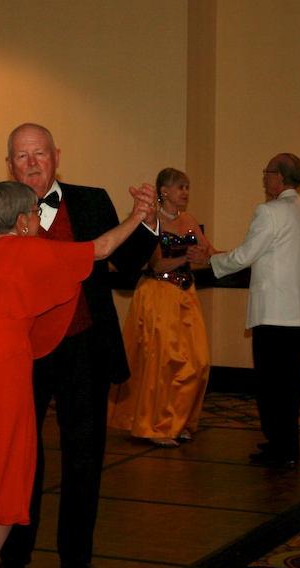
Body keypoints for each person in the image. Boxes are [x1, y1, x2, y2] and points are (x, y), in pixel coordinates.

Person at [0, 124, 158, 568]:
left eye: (39, 154)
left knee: (84, 455)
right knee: (17, 457)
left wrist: (147, 217)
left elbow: (126, 261)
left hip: (84, 346)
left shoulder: (92, 199)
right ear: (9, 165)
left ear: (56, 157)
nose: (32, 162)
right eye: (21, 156)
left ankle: (76, 555)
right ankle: (12, 554)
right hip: (17, 355)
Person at [187, 153, 300, 467]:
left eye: (267, 172)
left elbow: (246, 255)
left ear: (278, 177)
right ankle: (285, 445)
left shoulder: (268, 212)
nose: (264, 178)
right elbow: (279, 257)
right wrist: (216, 254)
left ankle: (282, 449)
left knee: (271, 384)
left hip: (274, 312)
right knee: (290, 385)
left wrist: (209, 258)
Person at [108, 168, 210, 447]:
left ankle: (179, 421)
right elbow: (157, 265)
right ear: (163, 191)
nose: (185, 191)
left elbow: (207, 254)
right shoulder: (154, 222)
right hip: (158, 295)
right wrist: (186, 259)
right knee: (162, 363)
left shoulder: (189, 220)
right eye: (180, 186)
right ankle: (156, 426)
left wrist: (206, 256)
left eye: (187, 186)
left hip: (186, 295)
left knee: (198, 362)